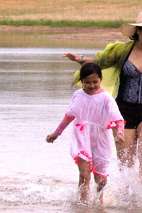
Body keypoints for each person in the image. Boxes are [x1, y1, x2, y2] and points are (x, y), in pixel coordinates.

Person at [64, 8, 142, 181]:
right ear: (137, 31)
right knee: (126, 163)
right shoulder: (122, 50)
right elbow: (100, 62)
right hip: (123, 112)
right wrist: (79, 59)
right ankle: (128, 202)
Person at [47, 61, 121, 199]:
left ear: (101, 80)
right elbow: (69, 116)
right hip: (81, 136)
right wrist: (56, 133)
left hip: (100, 138)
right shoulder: (78, 95)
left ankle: (100, 199)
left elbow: (117, 118)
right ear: (82, 81)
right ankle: (83, 207)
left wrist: (120, 133)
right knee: (84, 173)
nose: (92, 85)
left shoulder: (106, 98)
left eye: (95, 81)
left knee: (100, 179)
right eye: (87, 82)